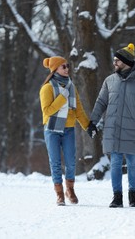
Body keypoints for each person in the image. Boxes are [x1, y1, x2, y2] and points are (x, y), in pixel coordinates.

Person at [88, 43, 135, 208]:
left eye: (117, 61)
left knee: (132, 162)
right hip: (112, 128)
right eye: (113, 61)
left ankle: (133, 196)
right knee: (116, 163)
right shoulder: (110, 80)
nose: (114, 64)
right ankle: (117, 197)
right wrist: (92, 122)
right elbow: (101, 102)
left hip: (133, 127)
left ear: (126, 61)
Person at [39, 56, 91, 206]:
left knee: (70, 162)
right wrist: (62, 98)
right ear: (55, 69)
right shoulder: (47, 88)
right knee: (55, 162)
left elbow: (78, 110)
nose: (67, 69)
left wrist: (88, 126)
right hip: (52, 129)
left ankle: (70, 190)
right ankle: (59, 193)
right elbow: (47, 111)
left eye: (67, 66)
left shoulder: (71, 87)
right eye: (63, 67)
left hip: (68, 129)